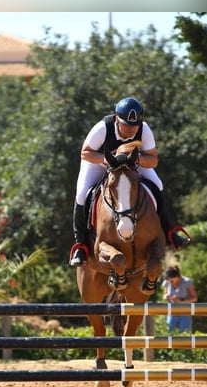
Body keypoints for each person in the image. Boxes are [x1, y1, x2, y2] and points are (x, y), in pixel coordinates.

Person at [69, 96, 191, 267]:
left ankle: (169, 231)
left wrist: (136, 159)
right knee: (82, 194)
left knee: (158, 184)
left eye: (134, 126)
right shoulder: (103, 127)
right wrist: (106, 161)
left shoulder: (144, 129)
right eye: (126, 125)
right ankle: (80, 245)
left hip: (132, 163)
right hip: (99, 163)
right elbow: (85, 153)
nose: (131, 129)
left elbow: (153, 160)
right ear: (117, 119)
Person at [162, 265, 198, 333]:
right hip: (171, 313)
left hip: (185, 313)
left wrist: (181, 300)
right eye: (168, 280)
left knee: (185, 336)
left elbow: (194, 298)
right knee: (170, 334)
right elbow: (164, 295)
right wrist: (166, 297)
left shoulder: (187, 282)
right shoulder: (167, 282)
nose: (169, 282)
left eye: (171, 280)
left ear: (177, 276)